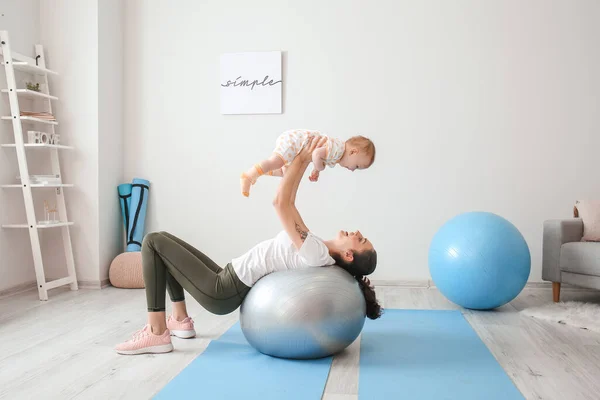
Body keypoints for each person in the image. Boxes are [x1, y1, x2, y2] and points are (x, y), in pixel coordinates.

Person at [115, 136, 381, 355]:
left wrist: (301, 159)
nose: (356, 232)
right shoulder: (317, 247)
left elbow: (282, 204)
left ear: (349, 254)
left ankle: (156, 332)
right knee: (164, 240)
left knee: (152, 242)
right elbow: (289, 201)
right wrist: (294, 166)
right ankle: (180, 321)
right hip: (227, 275)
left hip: (224, 290)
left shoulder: (316, 253)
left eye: (360, 239)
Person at [240, 129, 376, 197]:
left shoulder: (337, 153)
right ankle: (248, 176)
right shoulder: (339, 150)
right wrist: (319, 168)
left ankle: (259, 174)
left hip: (298, 143)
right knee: (276, 161)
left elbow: (320, 154)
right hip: (296, 141)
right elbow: (317, 154)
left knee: (284, 172)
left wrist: (315, 170)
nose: (353, 170)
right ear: (353, 152)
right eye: (357, 166)